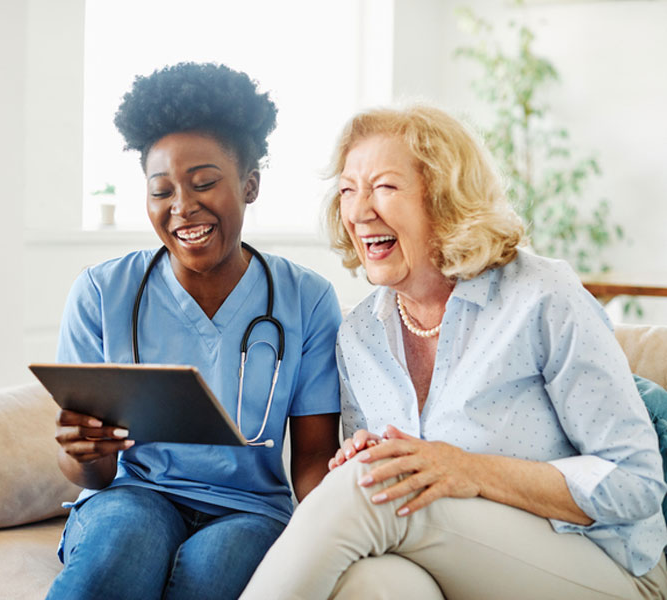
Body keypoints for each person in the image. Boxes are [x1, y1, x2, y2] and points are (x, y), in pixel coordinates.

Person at [241, 105, 667, 599]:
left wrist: (468, 470)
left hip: (604, 564)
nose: (358, 212)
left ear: (445, 199)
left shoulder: (541, 295)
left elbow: (634, 483)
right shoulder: (360, 334)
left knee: (371, 489)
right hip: (458, 563)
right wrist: (364, 455)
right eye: (347, 190)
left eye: (383, 186)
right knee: (373, 582)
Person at [46, 62, 341, 600]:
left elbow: (314, 460)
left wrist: (347, 524)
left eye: (204, 182)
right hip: (134, 495)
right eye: (161, 191)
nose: (183, 207)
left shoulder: (308, 300)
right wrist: (80, 453)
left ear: (250, 185)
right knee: (122, 543)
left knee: (215, 569)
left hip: (250, 510)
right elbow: (92, 474)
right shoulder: (101, 294)